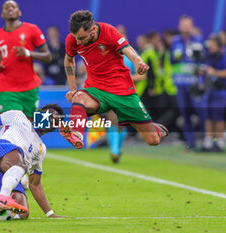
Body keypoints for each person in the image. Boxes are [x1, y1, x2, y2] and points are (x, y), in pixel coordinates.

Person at [59, 10, 168, 150]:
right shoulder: (72, 39)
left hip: (122, 91)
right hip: (96, 90)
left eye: (81, 38)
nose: (78, 41)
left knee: (153, 140)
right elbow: (69, 60)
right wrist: (73, 89)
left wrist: (138, 61)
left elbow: (127, 49)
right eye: (76, 37)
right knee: (78, 97)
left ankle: (153, 128)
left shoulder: (108, 31)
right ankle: (77, 135)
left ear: (92, 29)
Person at [0, 0, 52, 118]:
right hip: (7, 88)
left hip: (30, 87)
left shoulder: (32, 29)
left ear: (19, 12)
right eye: (6, 7)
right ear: (2, 14)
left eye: (13, 7)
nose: (10, 8)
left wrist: (28, 53)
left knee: (32, 126)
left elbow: (48, 56)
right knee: (12, 122)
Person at [170, 15, 205, 152]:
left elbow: (203, 60)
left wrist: (202, 80)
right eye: (183, 25)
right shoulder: (176, 41)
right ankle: (190, 143)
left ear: (191, 26)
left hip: (194, 83)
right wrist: (175, 58)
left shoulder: (199, 40)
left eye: (188, 25)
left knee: (201, 112)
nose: (185, 27)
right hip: (181, 82)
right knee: (185, 113)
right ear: (179, 26)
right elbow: (172, 61)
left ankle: (206, 141)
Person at [201, 35, 226, 152]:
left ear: (219, 45)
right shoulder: (210, 56)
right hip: (211, 90)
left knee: (218, 117)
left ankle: (220, 142)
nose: (210, 46)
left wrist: (214, 72)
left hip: (221, 91)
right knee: (208, 116)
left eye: (212, 44)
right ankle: (208, 142)